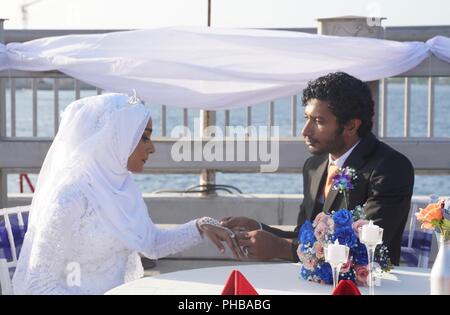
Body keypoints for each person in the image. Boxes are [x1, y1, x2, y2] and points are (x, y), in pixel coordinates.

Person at [12, 93, 242, 295]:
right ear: (114, 137)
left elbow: (152, 243)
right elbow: (38, 285)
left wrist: (200, 226)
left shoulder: (122, 187)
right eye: (144, 137)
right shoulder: (70, 197)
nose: (151, 147)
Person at [221, 72, 414, 266]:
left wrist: (279, 247)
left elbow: (366, 248)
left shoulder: (390, 168)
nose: (305, 131)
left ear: (351, 126)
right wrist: (259, 228)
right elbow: (304, 237)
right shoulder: (314, 166)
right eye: (307, 118)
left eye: (319, 121)